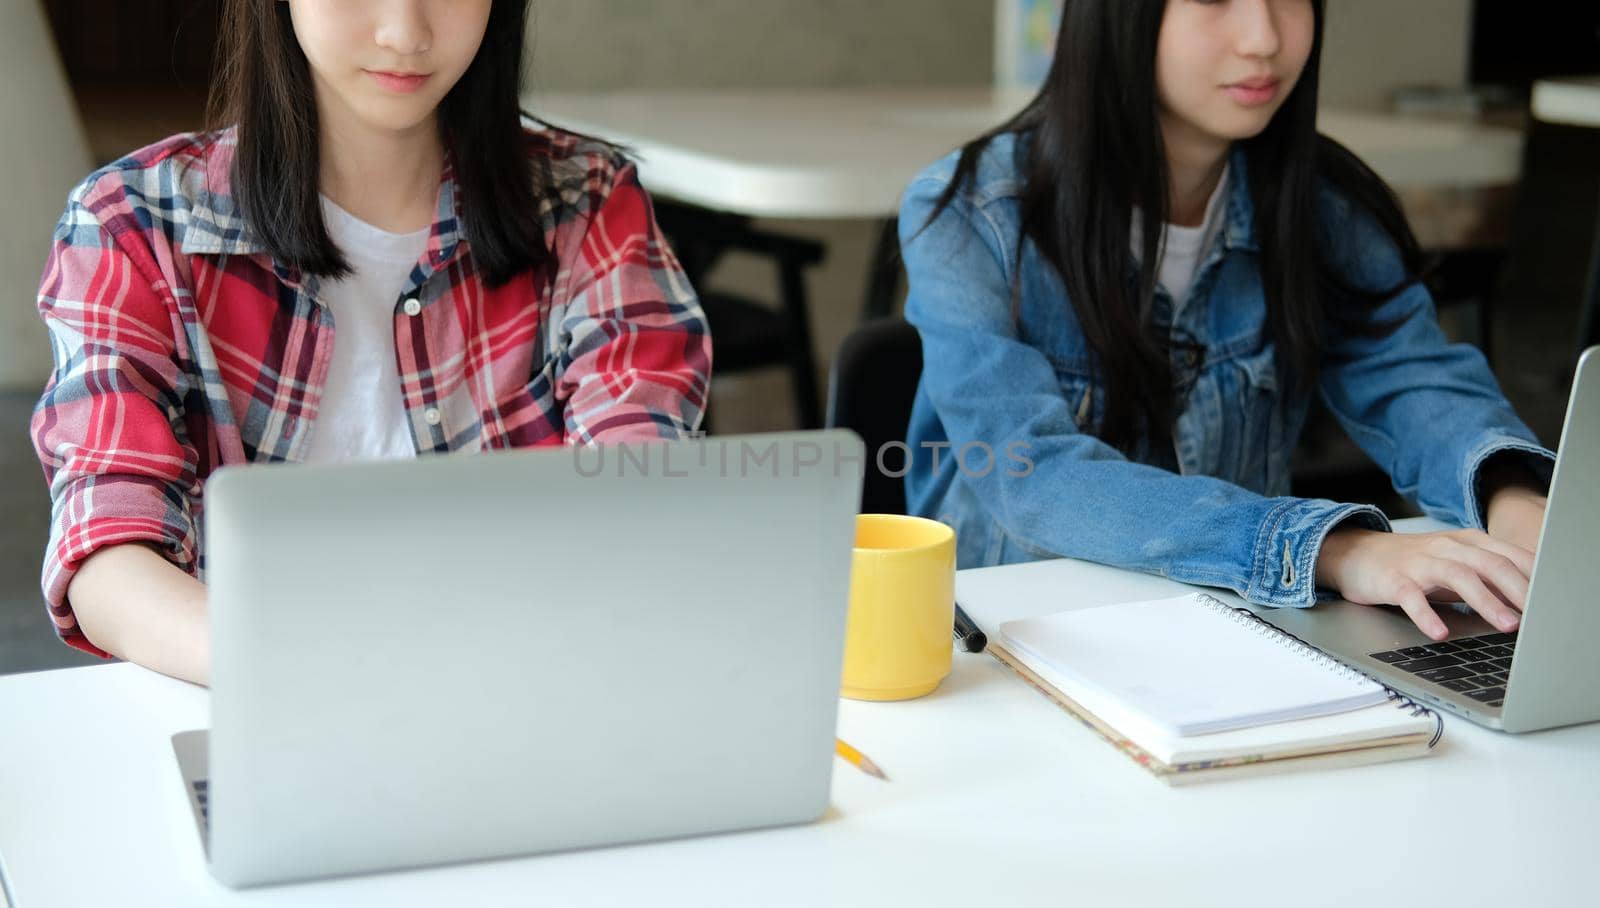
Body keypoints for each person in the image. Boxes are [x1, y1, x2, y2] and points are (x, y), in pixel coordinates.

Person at [30, 0, 711, 685]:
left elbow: (638, 495)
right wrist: (324, 672)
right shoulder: (134, 225)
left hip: (533, 696)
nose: (404, 33)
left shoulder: (588, 205)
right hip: (253, 704)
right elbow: (107, 549)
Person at [899, 0, 1552, 641]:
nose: (1263, 36)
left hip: (1235, 639)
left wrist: (1514, 500)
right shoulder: (972, 214)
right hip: (1016, 644)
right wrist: (1333, 551)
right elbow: (1030, 471)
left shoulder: (1321, 204)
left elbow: (1410, 378)